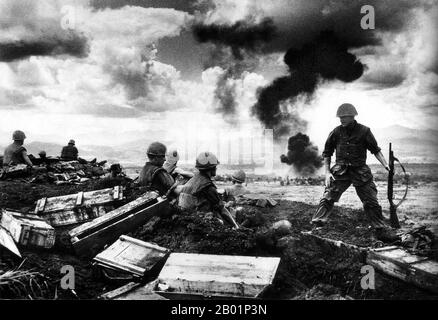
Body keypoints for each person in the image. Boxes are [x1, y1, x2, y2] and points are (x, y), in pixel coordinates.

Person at [311, 103, 397, 240]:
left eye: (345, 117)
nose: (342, 119)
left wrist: (386, 165)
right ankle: (317, 225)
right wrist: (327, 173)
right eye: (340, 117)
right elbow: (327, 154)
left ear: (352, 117)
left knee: (371, 201)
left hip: (360, 172)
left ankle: (380, 229)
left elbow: (376, 150)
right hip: (341, 171)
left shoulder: (364, 131)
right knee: (328, 197)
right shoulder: (336, 132)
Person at [178, 151, 239, 229]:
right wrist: (235, 226)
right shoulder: (207, 187)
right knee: (220, 220)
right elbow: (222, 210)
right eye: (215, 166)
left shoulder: (191, 181)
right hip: (198, 224)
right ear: (211, 168)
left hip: (185, 220)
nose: (216, 168)